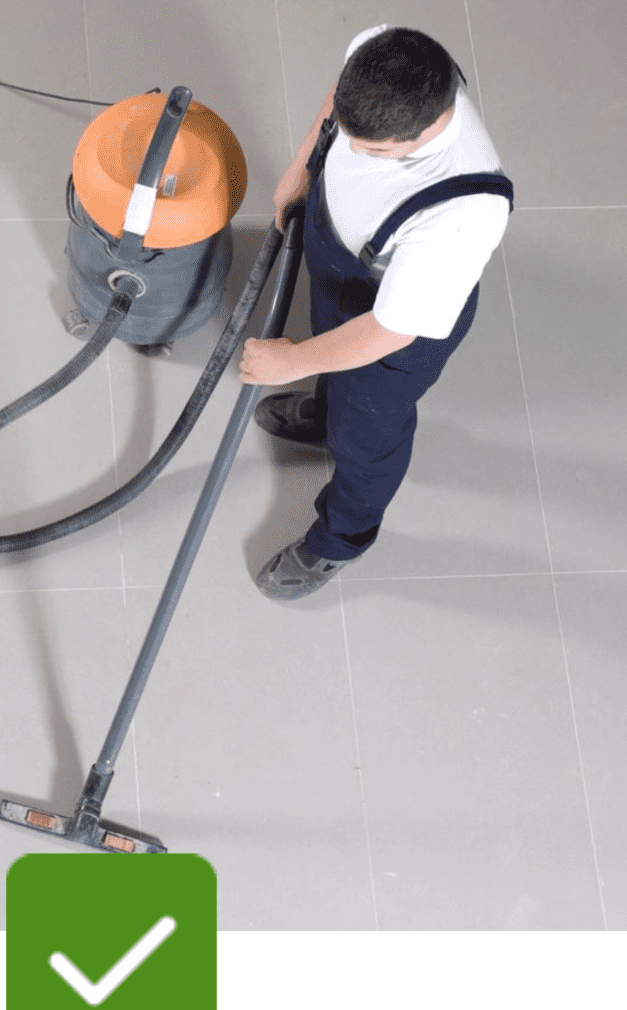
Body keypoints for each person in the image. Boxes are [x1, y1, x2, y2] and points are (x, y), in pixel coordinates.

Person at [239, 25, 514, 600]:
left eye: (375, 152)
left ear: (423, 132)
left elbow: (390, 329)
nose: (355, 151)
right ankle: (322, 410)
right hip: (345, 261)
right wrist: (303, 169)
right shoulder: (387, 52)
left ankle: (339, 540)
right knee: (325, 352)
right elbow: (337, 103)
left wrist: (288, 363)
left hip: (391, 328)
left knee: (366, 440)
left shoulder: (463, 213)